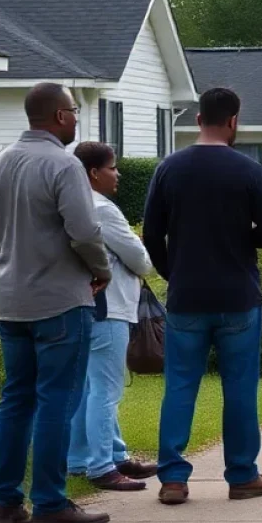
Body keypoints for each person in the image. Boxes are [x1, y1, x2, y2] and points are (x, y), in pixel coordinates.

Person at [0, 83, 113, 523]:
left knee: (16, 399)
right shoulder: (63, 164)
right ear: (59, 116)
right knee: (57, 398)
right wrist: (101, 270)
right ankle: (51, 502)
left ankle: (3, 504)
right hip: (59, 300)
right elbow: (83, 231)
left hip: (10, 300)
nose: (77, 118)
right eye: (74, 111)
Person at [143, 87, 262, 506]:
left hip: (187, 294)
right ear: (233, 120)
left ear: (198, 118)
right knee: (239, 387)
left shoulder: (169, 168)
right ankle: (242, 474)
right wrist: (242, 239)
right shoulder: (247, 170)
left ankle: (172, 477)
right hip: (238, 293)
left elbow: (152, 233)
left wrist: (174, 270)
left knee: (180, 386)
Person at [67, 143, 157, 491]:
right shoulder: (103, 209)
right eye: (112, 167)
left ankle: (85, 457)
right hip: (110, 307)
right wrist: (137, 244)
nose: (117, 174)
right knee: (106, 390)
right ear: (93, 172)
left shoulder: (70, 206)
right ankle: (103, 466)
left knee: (87, 387)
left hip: (81, 307)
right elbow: (140, 260)